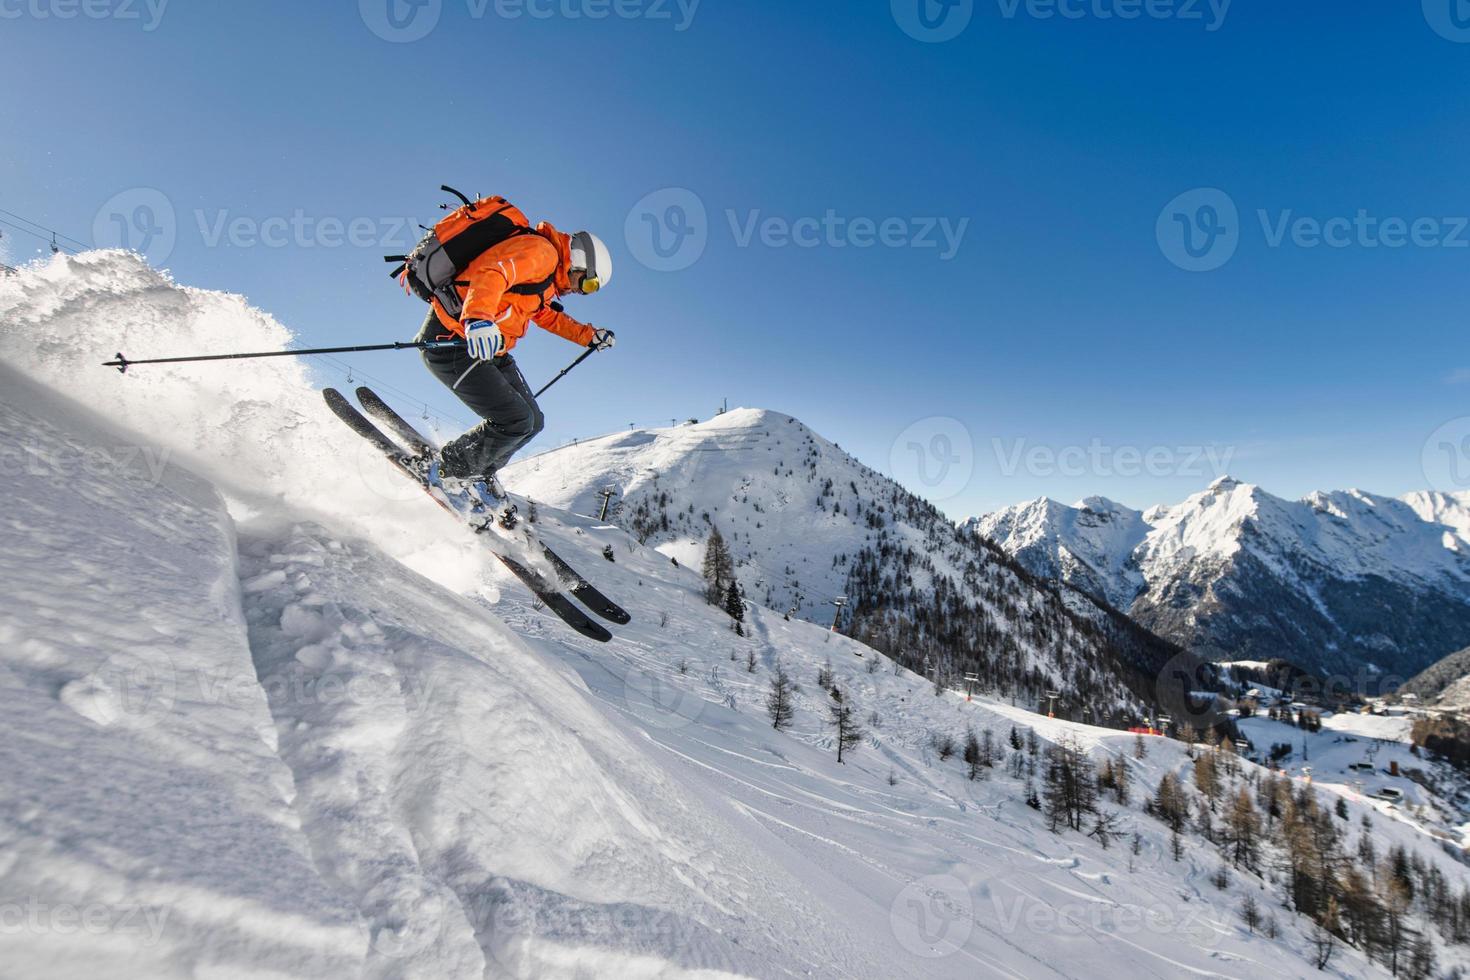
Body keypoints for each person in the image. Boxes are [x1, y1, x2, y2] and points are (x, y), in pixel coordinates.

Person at [414, 216, 616, 488]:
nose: (579, 292)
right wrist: (478, 318)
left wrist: (589, 336)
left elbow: (545, 316)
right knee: (515, 421)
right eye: (588, 285)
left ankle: (478, 475)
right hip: (452, 341)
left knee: (533, 423)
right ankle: (446, 470)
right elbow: (492, 272)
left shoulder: (545, 279)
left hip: (487, 349)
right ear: (580, 262)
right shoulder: (541, 253)